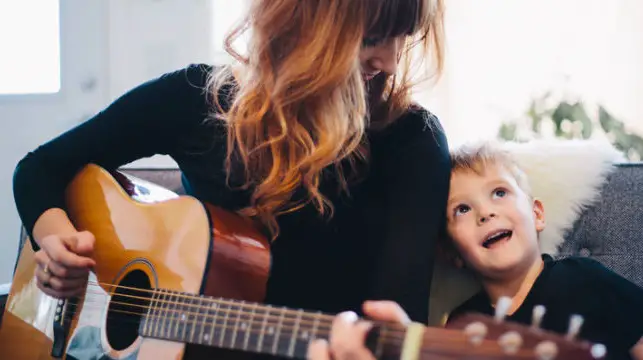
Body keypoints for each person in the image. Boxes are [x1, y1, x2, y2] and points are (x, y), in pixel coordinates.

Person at [12, 0, 450, 358]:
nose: (391, 62)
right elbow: (39, 168)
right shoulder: (198, 99)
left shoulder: (412, 143)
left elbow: (400, 325)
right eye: (371, 38)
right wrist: (56, 246)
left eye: (403, 38)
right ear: (303, 23)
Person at [441, 142, 643, 360]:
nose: (485, 212)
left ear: (536, 214)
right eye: (462, 209)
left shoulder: (586, 278)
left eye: (500, 192)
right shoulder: (463, 324)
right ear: (453, 252)